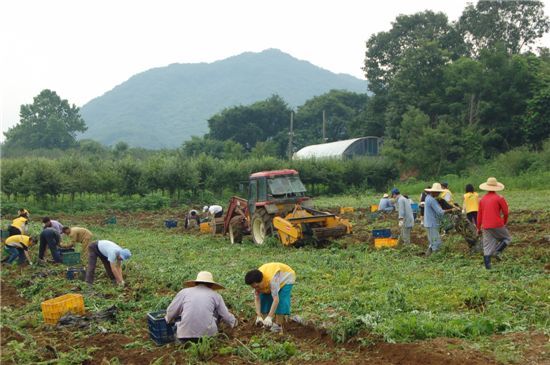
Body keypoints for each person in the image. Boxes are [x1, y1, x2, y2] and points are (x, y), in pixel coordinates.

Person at [165, 271, 237, 343]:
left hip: (185, 336)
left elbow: (171, 311)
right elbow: (226, 315)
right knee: (216, 312)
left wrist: (168, 319)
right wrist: (234, 322)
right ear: (211, 285)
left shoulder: (184, 292)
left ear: (196, 282)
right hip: (208, 336)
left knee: (177, 324)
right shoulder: (216, 295)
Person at [245, 262, 296, 333]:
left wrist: (270, 317)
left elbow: (276, 300)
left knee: (281, 300)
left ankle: (278, 325)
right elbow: (257, 298)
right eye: (254, 287)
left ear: (262, 281)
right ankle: (264, 322)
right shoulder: (256, 280)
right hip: (270, 277)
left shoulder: (272, 281)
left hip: (286, 278)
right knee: (264, 298)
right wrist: (258, 315)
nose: (256, 289)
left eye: (257, 286)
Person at [476, 177, 512, 270]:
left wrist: (478, 227)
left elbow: (479, 215)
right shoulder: (500, 198)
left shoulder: (482, 199)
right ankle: (497, 251)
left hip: (485, 225)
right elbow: (506, 212)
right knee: (507, 238)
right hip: (497, 224)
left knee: (487, 246)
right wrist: (504, 222)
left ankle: (488, 268)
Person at [423, 183, 454, 256]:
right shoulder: (432, 200)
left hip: (428, 222)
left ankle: (427, 255)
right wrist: (452, 210)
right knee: (436, 242)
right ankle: (435, 257)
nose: (439, 194)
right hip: (432, 223)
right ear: (434, 192)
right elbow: (440, 212)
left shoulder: (427, 197)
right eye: (438, 192)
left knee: (432, 241)